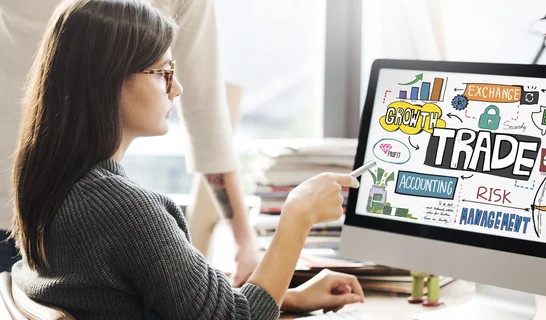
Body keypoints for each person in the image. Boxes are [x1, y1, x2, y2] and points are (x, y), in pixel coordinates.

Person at [8, 0, 365, 318]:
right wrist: (298, 213)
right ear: (108, 80)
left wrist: (287, 297)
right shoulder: (124, 210)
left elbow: (171, 299)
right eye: (162, 73)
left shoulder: (53, 187)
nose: (176, 88)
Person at [0, 0, 261, 285]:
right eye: (162, 73)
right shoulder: (132, 214)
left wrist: (242, 240)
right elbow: (206, 115)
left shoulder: (121, 207)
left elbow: (206, 116)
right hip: (34, 214)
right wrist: (282, 224)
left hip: (34, 202)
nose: (175, 88)